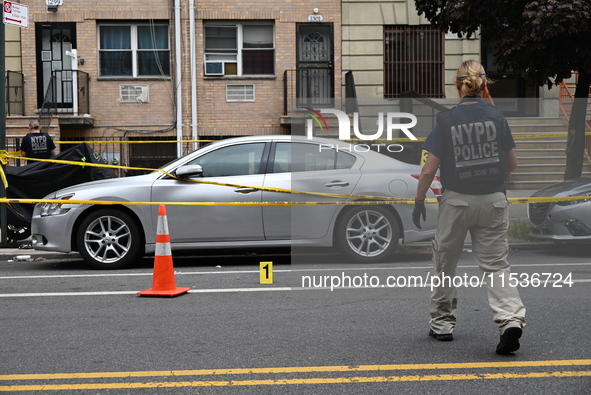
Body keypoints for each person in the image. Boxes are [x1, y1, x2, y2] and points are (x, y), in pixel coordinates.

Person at [413, 60, 526, 355]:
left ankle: (442, 324)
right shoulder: (498, 117)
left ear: (457, 85)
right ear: (484, 85)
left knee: (445, 262)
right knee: (496, 266)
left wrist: (419, 200)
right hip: (493, 201)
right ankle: (510, 320)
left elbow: (428, 170)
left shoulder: (447, 121)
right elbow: (513, 163)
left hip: (457, 201)